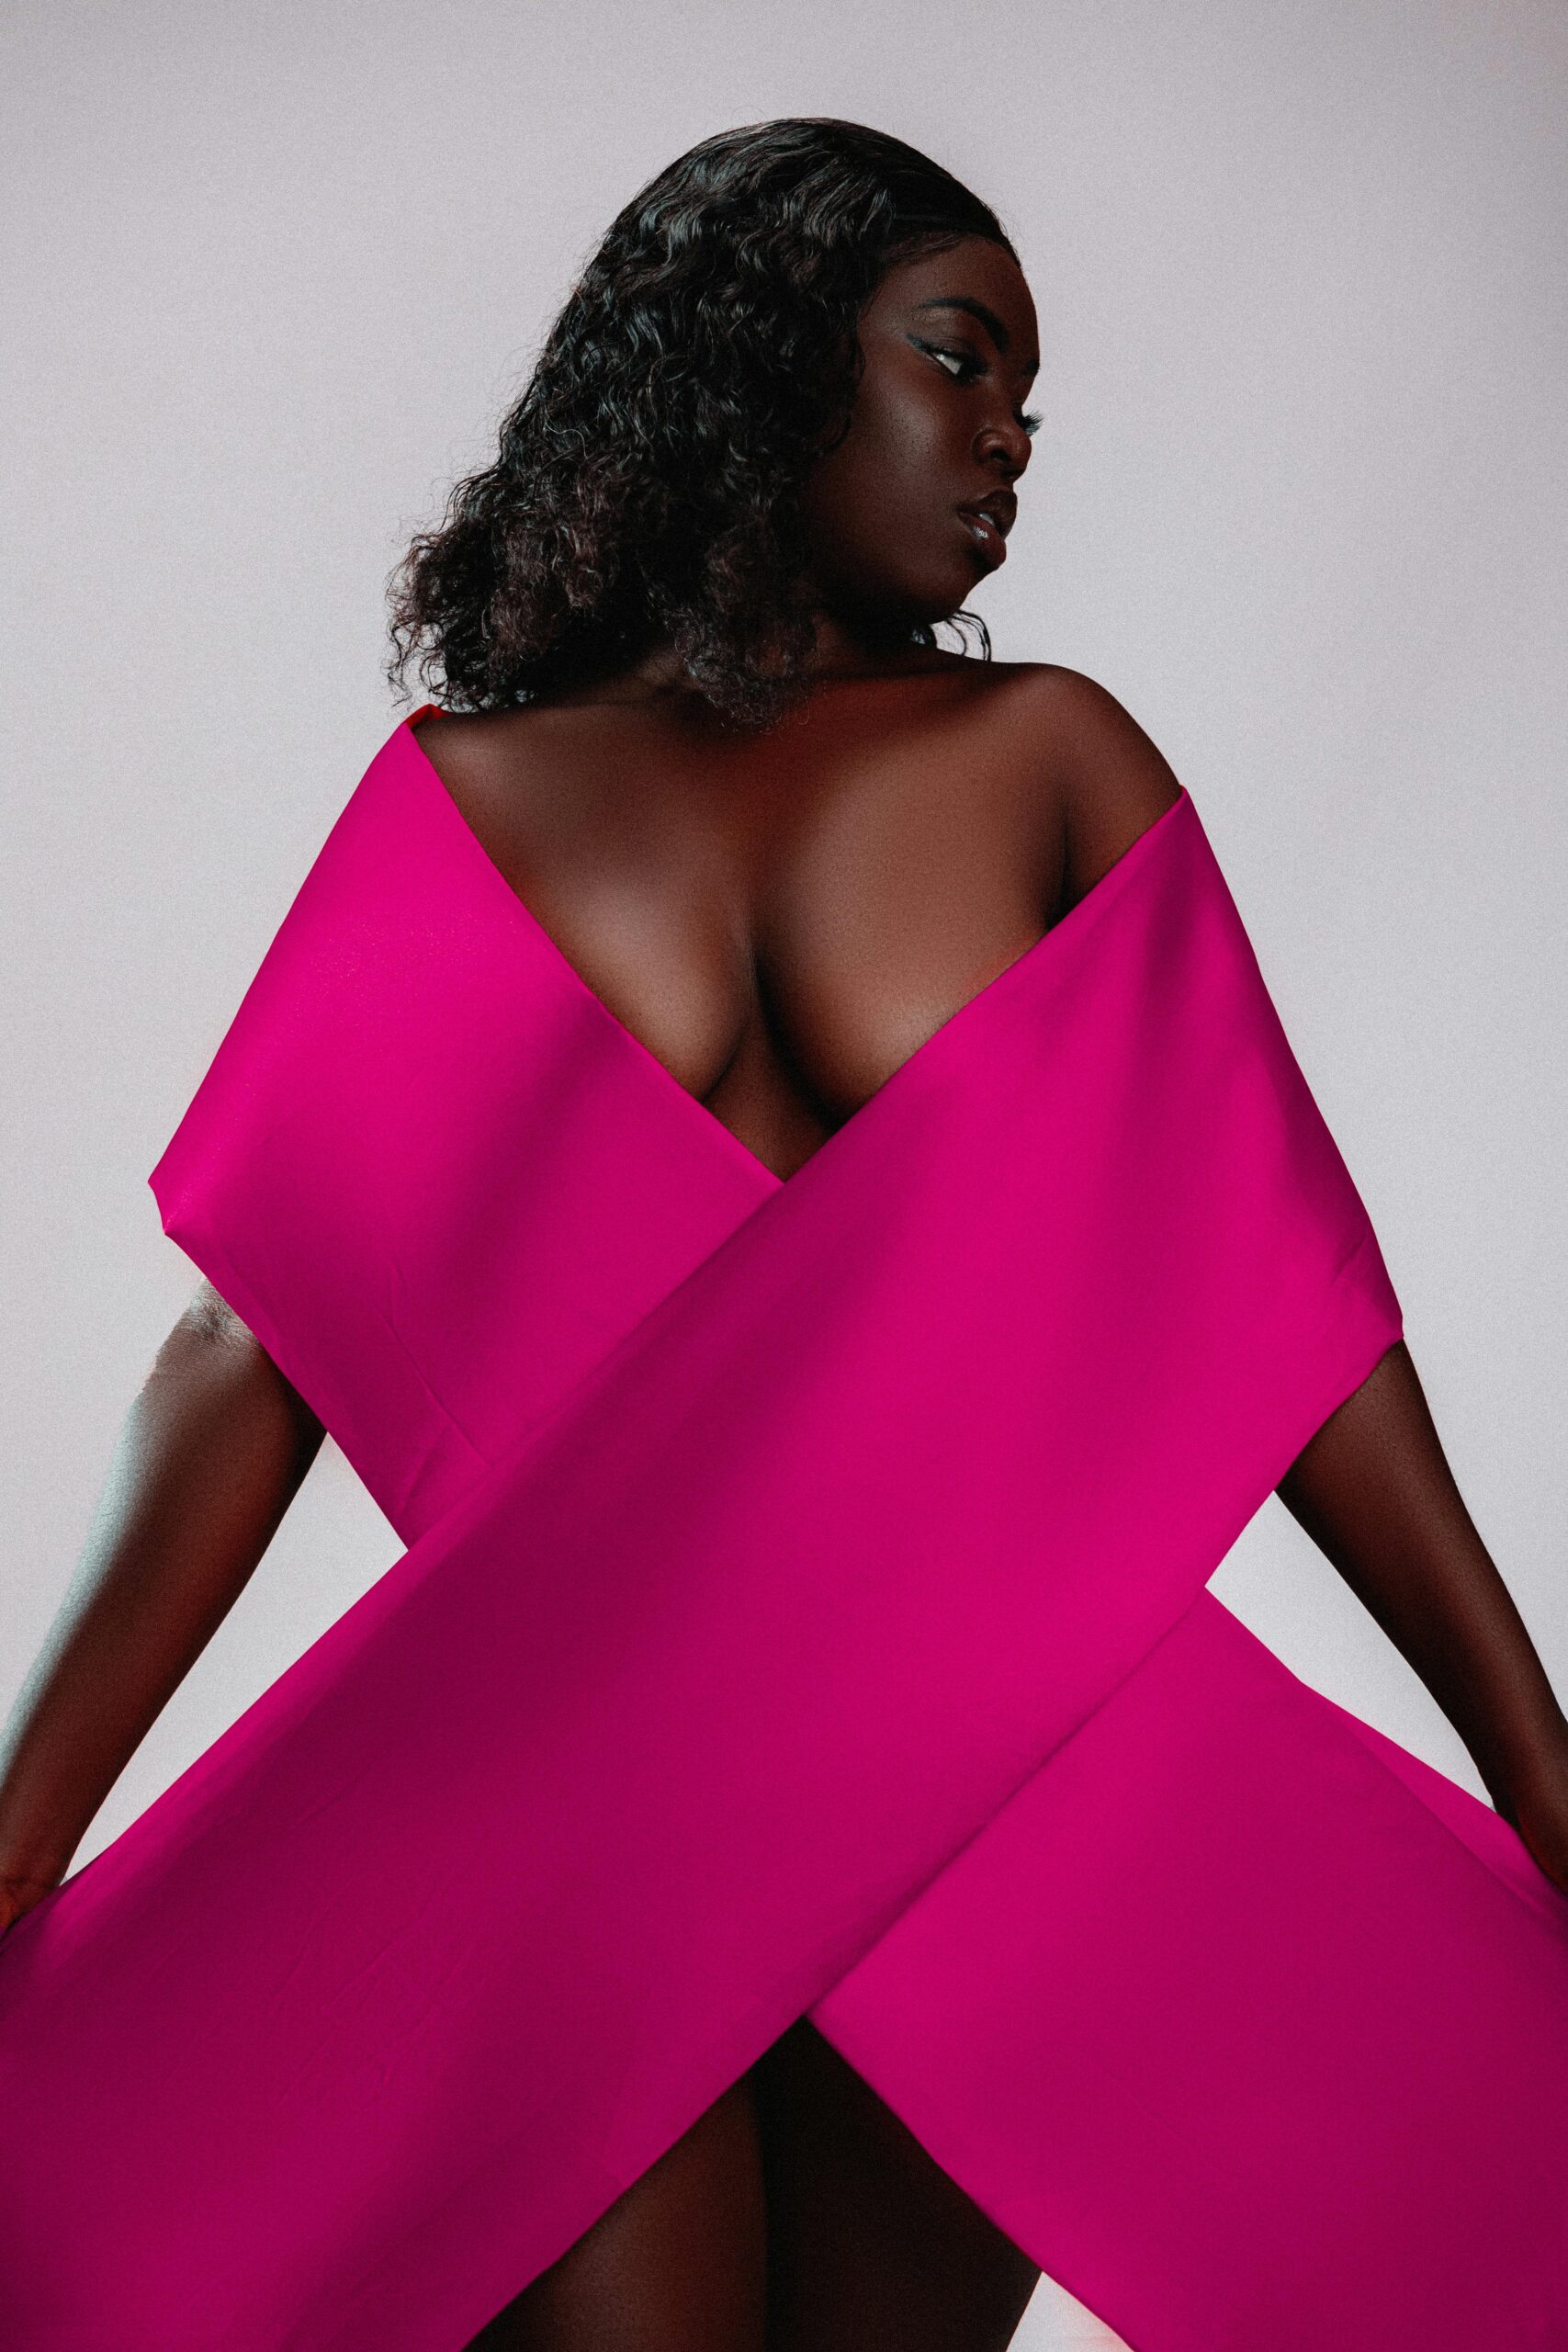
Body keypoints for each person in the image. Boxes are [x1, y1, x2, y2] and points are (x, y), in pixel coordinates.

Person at [2, 119, 1565, 2352]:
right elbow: (241, 1355)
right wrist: (19, 1826)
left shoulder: (1048, 760)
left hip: (986, 1811)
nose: (1006, 436)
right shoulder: (463, 799)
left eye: (1028, 395)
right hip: (552, 1823)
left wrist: (1536, 1757)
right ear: (760, 365)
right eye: (959, 358)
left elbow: (1300, 1318)